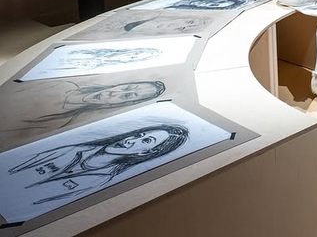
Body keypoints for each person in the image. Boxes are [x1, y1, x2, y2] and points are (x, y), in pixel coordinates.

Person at [9, 124, 189, 204]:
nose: (129, 140)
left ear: (146, 152)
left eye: (145, 141)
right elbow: (10, 170)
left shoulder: (99, 180)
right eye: (138, 135)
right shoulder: (72, 149)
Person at [19, 81, 166, 131]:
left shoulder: (60, 123)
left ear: (125, 104)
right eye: (126, 87)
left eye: (127, 95)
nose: (113, 93)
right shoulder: (62, 85)